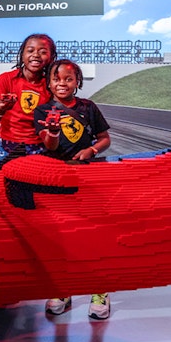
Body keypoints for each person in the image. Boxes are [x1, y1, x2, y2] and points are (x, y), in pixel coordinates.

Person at [33, 58, 113, 320]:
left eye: (68, 79)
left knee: (94, 235)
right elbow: (50, 146)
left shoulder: (89, 108)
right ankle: (62, 290)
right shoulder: (43, 111)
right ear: (49, 83)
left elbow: (104, 139)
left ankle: (99, 291)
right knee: (60, 237)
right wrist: (53, 133)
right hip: (57, 180)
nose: (62, 83)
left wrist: (91, 150)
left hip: (90, 179)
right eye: (57, 79)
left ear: (77, 81)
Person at [0, 33, 56, 165]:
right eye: (30, 50)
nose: (36, 55)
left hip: (40, 146)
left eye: (43, 52)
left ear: (51, 57)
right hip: (8, 146)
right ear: (22, 55)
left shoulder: (51, 84)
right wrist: (1, 109)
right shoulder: (6, 79)